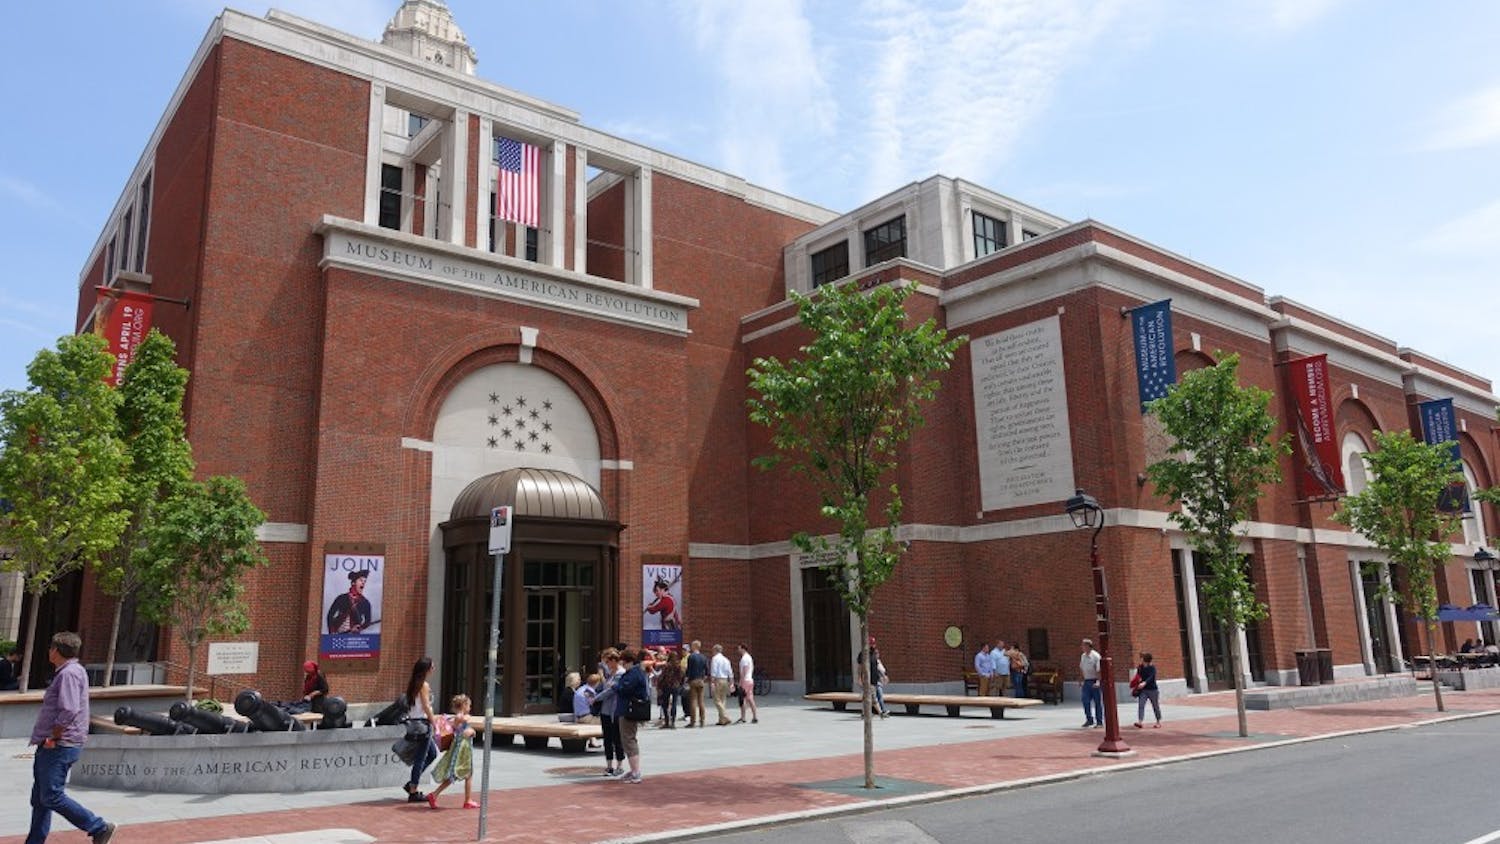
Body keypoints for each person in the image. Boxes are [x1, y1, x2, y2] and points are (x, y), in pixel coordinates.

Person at [27, 631, 116, 844]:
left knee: (51, 796)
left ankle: (98, 826)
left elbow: (68, 709)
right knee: (40, 799)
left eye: (50, 648)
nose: (49, 651)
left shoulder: (69, 673)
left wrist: (53, 737)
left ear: (56, 650)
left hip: (59, 744)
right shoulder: (71, 671)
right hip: (55, 743)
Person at [594, 649, 649, 783]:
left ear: (627, 661)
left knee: (629, 740)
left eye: (622, 661)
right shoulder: (635, 672)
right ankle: (633, 770)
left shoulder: (633, 673)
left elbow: (625, 689)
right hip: (626, 710)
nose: (621, 663)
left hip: (628, 711)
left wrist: (615, 686)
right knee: (627, 740)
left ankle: (636, 772)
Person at [426, 693, 478, 809]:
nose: (470, 708)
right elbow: (465, 727)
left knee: (466, 773)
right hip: (462, 747)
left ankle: (466, 799)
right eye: (469, 705)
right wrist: (472, 730)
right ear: (464, 705)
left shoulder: (457, 717)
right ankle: (435, 795)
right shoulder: (461, 717)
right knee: (459, 773)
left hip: (463, 746)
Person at [400, 656, 439, 803]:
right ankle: (413, 791)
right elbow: (426, 706)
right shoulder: (424, 685)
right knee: (421, 758)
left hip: (414, 723)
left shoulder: (414, 684)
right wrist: (434, 722)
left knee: (432, 754)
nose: (434, 669)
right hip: (423, 724)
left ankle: (411, 784)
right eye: (432, 667)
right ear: (427, 669)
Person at [596, 649, 625, 776]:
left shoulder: (620, 674)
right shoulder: (610, 673)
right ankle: (609, 765)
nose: (606, 665)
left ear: (614, 661)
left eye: (607, 662)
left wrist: (595, 699)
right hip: (606, 711)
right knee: (607, 738)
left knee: (617, 738)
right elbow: (604, 687)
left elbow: (610, 691)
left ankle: (619, 765)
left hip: (615, 710)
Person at [326, 569, 374, 634]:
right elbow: (330, 615)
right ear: (353, 583)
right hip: (337, 633)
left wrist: (360, 627)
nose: (363, 583)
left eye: (364, 581)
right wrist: (332, 632)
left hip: (353, 636)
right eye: (361, 580)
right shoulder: (341, 598)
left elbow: (367, 621)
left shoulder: (365, 603)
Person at [857, 637, 889, 718]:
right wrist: (859, 677)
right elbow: (860, 667)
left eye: (874, 643)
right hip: (867, 680)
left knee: (866, 697)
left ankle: (864, 713)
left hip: (875, 679)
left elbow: (877, 666)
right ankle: (881, 712)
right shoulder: (863, 654)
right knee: (873, 697)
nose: (873, 645)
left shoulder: (874, 653)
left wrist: (883, 676)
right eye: (871, 643)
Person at [1132, 652, 1161, 729]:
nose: (1141, 661)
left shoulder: (1152, 668)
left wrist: (1144, 683)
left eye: (1143, 659)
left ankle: (1158, 721)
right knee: (1141, 705)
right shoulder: (1140, 667)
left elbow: (1151, 677)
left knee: (1155, 706)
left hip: (1152, 690)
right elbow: (1138, 676)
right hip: (1143, 690)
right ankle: (1140, 721)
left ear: (1146, 661)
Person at [657, 647, 683, 728]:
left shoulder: (667, 666)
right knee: (674, 703)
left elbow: (662, 676)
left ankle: (667, 722)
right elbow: (681, 676)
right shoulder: (679, 666)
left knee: (665, 704)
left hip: (667, 686)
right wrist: (680, 684)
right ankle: (673, 722)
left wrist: (659, 686)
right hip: (675, 686)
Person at [1080, 638, 1103, 729]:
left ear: (1088, 646)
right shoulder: (1083, 656)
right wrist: (1081, 679)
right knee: (1085, 700)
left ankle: (1099, 721)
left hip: (1094, 680)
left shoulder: (1096, 656)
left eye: (1083, 645)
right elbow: (1082, 668)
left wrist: (1098, 681)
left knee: (1097, 702)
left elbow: (1099, 670)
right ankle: (1089, 719)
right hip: (1087, 681)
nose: (1082, 647)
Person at [685, 640, 709, 728]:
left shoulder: (691, 657)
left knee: (693, 701)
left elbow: (689, 670)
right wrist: (703, 678)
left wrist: (686, 679)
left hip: (693, 680)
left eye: (692, 645)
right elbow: (707, 670)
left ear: (695, 646)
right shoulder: (704, 657)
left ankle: (693, 721)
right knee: (701, 702)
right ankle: (702, 721)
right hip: (701, 680)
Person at [709, 644, 733, 726]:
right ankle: (721, 720)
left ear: (715, 650)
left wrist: (712, 681)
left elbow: (714, 670)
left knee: (717, 700)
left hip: (718, 680)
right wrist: (731, 682)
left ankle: (725, 716)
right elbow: (730, 672)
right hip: (725, 680)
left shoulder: (715, 659)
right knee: (723, 699)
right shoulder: (726, 659)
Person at [735, 643, 759, 724]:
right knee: (750, 698)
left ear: (743, 649)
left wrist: (740, 682)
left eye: (739, 648)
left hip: (745, 681)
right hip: (750, 680)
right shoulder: (749, 657)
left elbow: (744, 671)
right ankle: (755, 716)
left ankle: (743, 717)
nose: (738, 650)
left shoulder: (744, 659)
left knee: (742, 699)